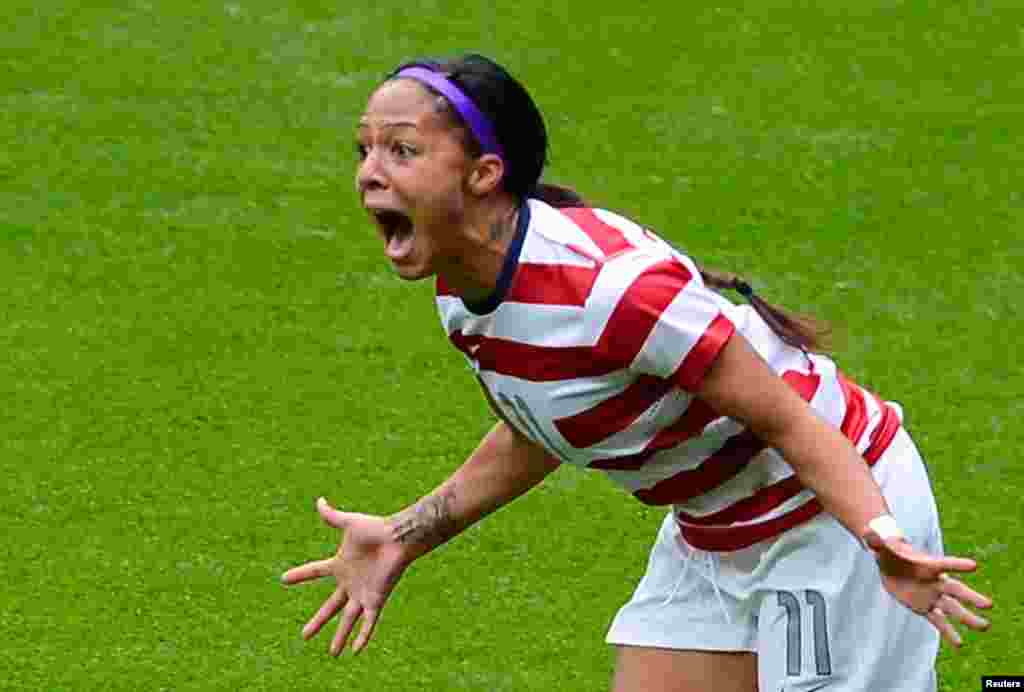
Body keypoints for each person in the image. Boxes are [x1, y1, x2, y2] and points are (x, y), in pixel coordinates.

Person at [280, 54, 993, 691]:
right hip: (713, 532)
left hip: (828, 521)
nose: (370, 170)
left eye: (402, 150)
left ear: (483, 175)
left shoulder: (611, 288)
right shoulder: (465, 293)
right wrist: (407, 534)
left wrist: (878, 536)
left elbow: (786, 419)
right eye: (364, 148)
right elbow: (542, 426)